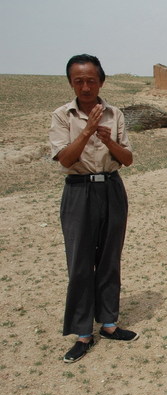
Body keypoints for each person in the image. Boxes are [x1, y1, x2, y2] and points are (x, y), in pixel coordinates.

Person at [49, 54, 138, 364]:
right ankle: (83, 332)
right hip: (78, 191)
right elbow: (65, 159)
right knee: (80, 262)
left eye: (91, 80)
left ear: (101, 81)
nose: (85, 86)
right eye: (78, 81)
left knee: (110, 258)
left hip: (112, 188)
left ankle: (110, 324)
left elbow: (126, 159)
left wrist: (108, 140)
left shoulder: (116, 115)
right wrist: (87, 130)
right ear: (71, 83)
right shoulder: (63, 116)